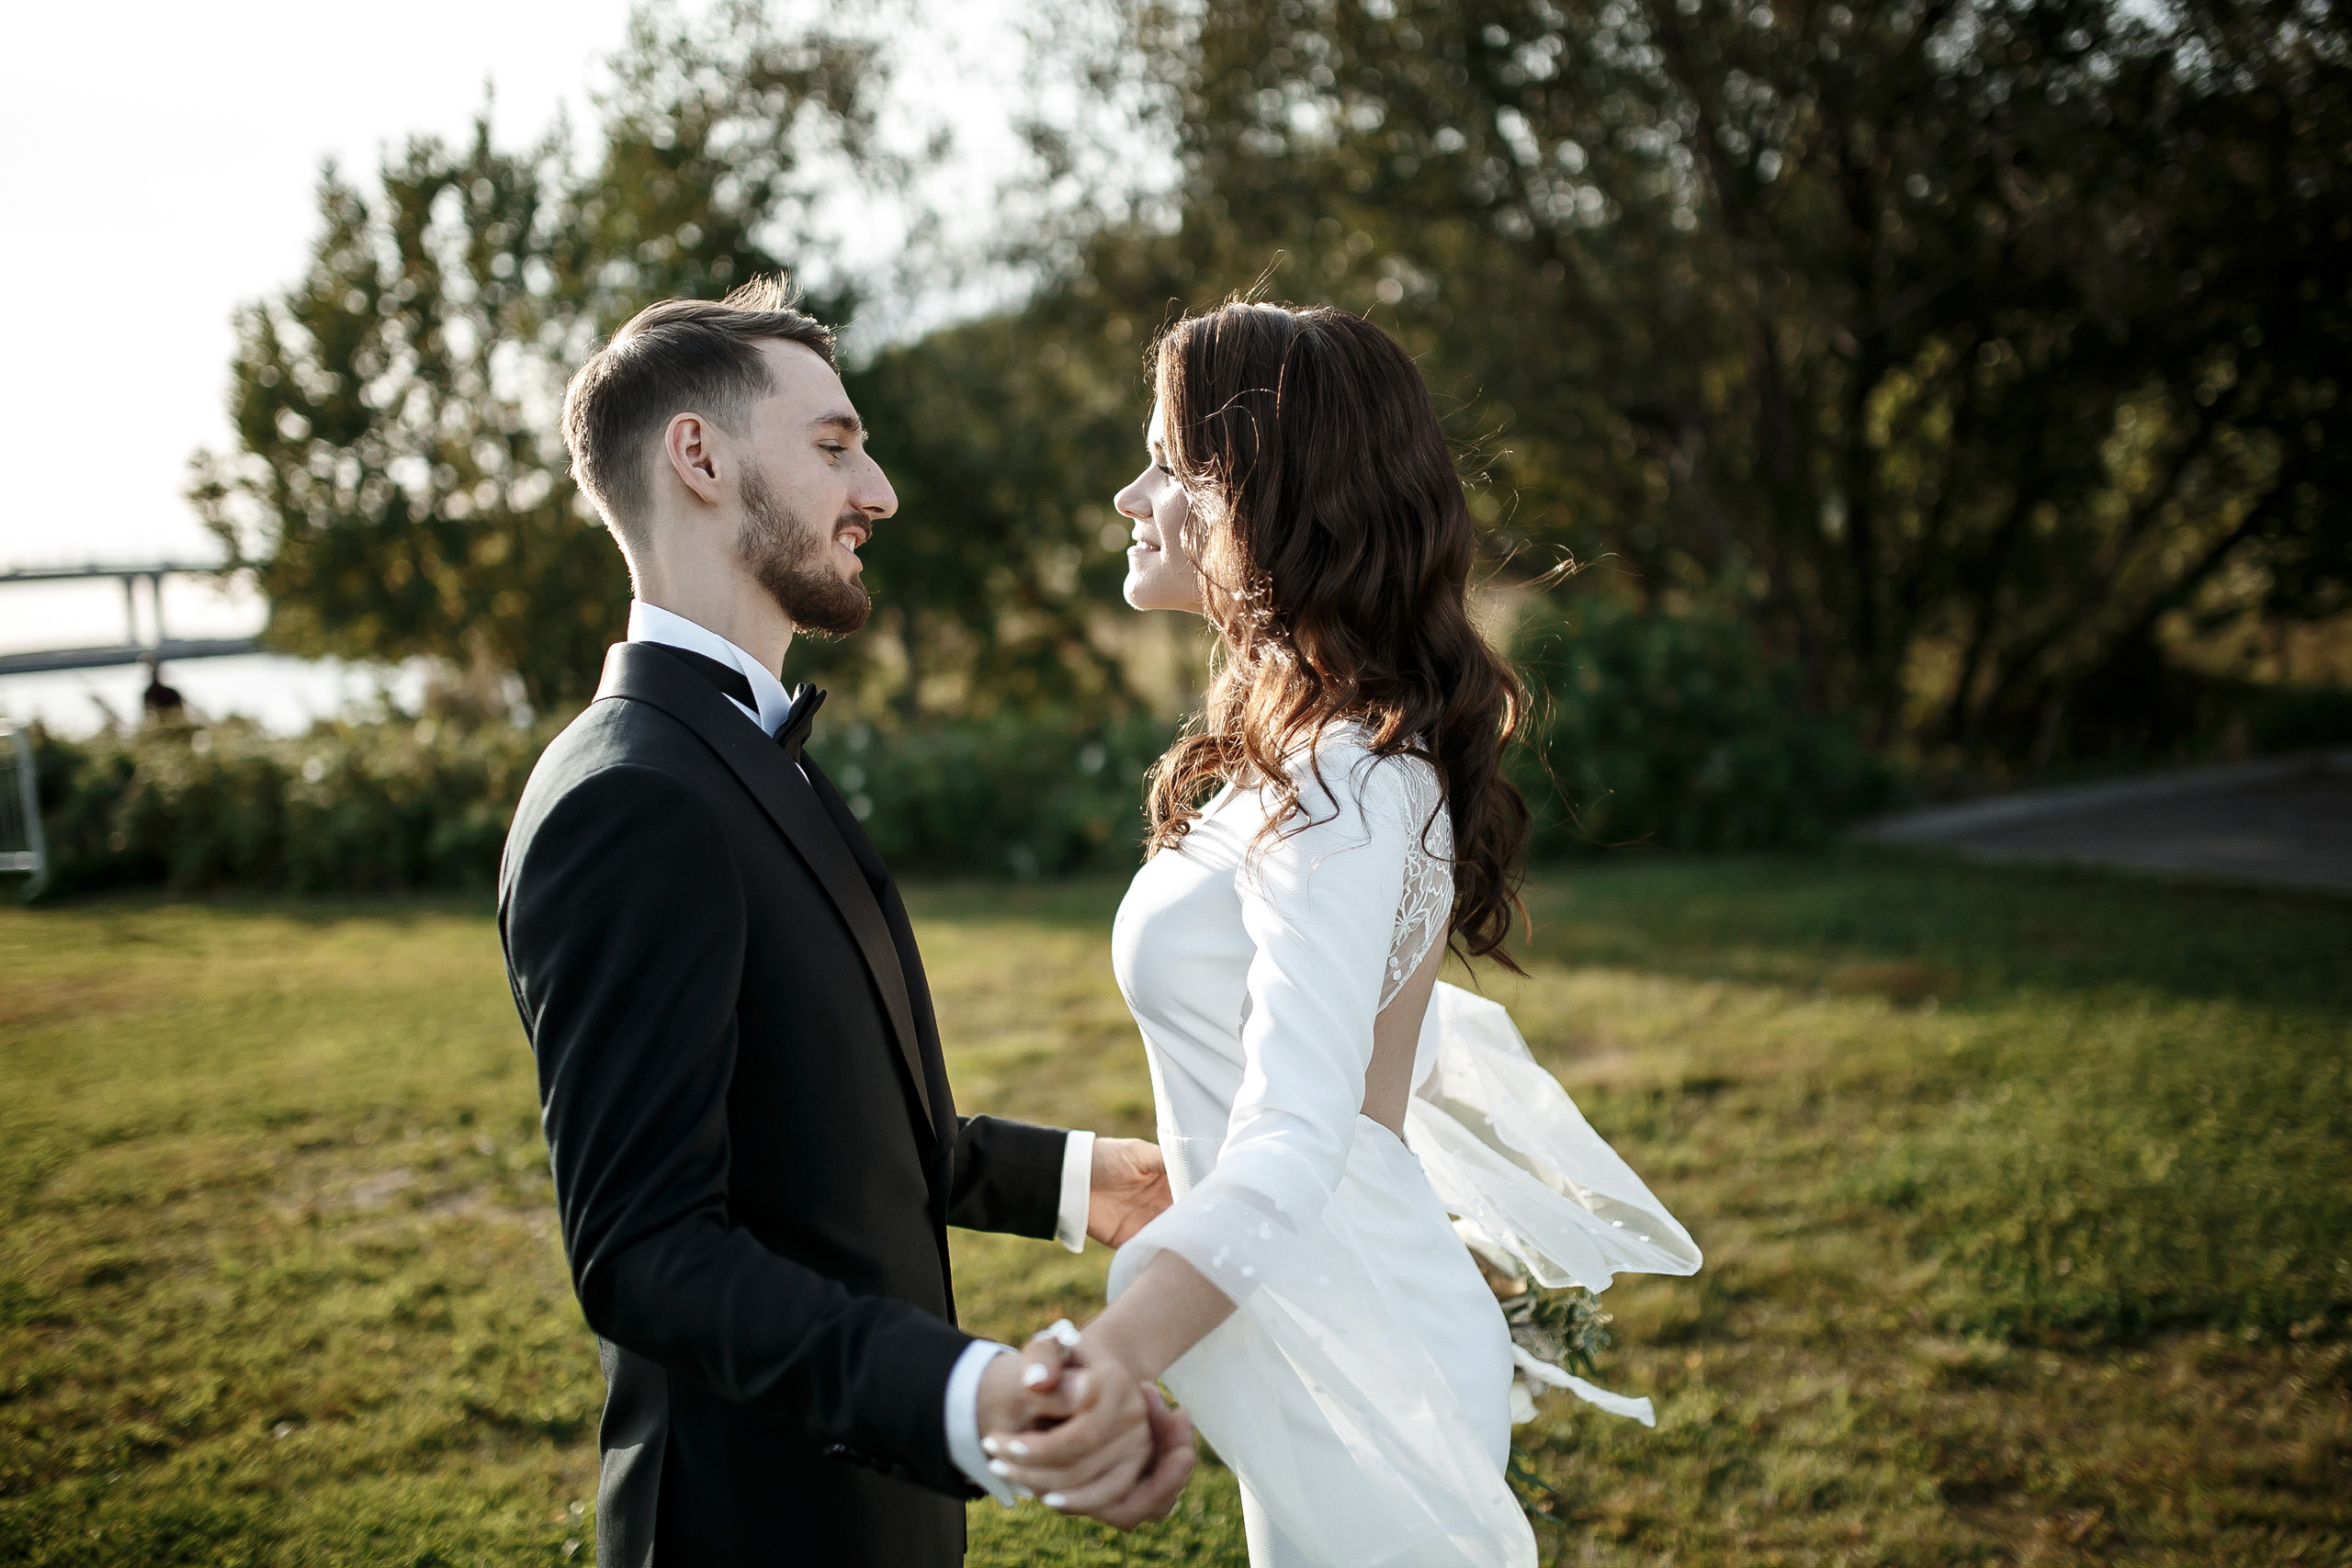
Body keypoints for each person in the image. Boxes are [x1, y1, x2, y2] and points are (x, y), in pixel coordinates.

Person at [983, 302, 1702, 1567]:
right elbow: (1386, 1061)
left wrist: (1108, 1354)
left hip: (1360, 1342)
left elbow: (1300, 1131)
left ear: (1268, 495)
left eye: (1167, 460)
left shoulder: (1350, 780)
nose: (1126, 493)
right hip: (1288, 1325)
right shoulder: (1308, 756)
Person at [497, 276, 1195, 1568]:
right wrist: (955, 1390)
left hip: (863, 1511)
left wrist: (1077, 1180)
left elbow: (814, 1119)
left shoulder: (740, 747)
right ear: (696, 456)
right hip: (755, 1523)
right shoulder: (633, 799)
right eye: (834, 446)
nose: (876, 492)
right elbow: (645, 1249)